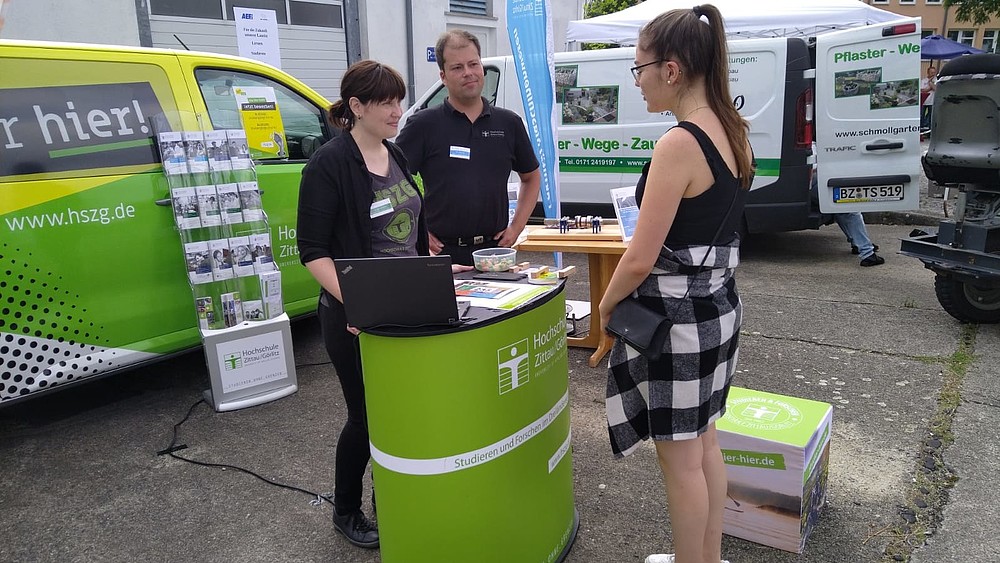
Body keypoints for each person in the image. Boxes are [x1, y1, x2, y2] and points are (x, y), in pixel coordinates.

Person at [597, 5, 752, 563]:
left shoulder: (679, 144)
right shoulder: (734, 130)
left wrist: (604, 310)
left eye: (638, 67)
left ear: (672, 68)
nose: (635, 80)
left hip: (677, 322)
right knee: (705, 443)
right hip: (717, 309)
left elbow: (640, 258)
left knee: (681, 461)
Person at [296, 60, 471, 549]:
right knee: (367, 416)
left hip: (406, 307)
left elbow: (409, 236)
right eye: (387, 102)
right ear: (355, 107)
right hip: (355, 317)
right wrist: (358, 304)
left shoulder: (394, 154)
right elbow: (312, 251)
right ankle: (346, 510)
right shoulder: (328, 164)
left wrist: (435, 271)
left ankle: (391, 496)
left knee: (404, 413)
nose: (398, 110)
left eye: (399, 100)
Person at [396, 29, 541, 266]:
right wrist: (416, 228)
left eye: (473, 64)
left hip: (495, 253)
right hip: (441, 254)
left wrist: (516, 227)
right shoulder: (423, 125)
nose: (468, 73)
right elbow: (392, 182)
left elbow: (531, 177)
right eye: (457, 68)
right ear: (443, 76)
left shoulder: (508, 123)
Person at [920, 65, 937, 131]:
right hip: (924, 102)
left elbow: (936, 89)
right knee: (921, 116)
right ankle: (921, 129)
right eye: (931, 72)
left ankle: (929, 131)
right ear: (928, 72)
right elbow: (922, 90)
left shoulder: (936, 80)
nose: (933, 74)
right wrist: (931, 86)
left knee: (931, 117)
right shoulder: (923, 80)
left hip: (932, 102)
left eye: (934, 72)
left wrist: (930, 83)